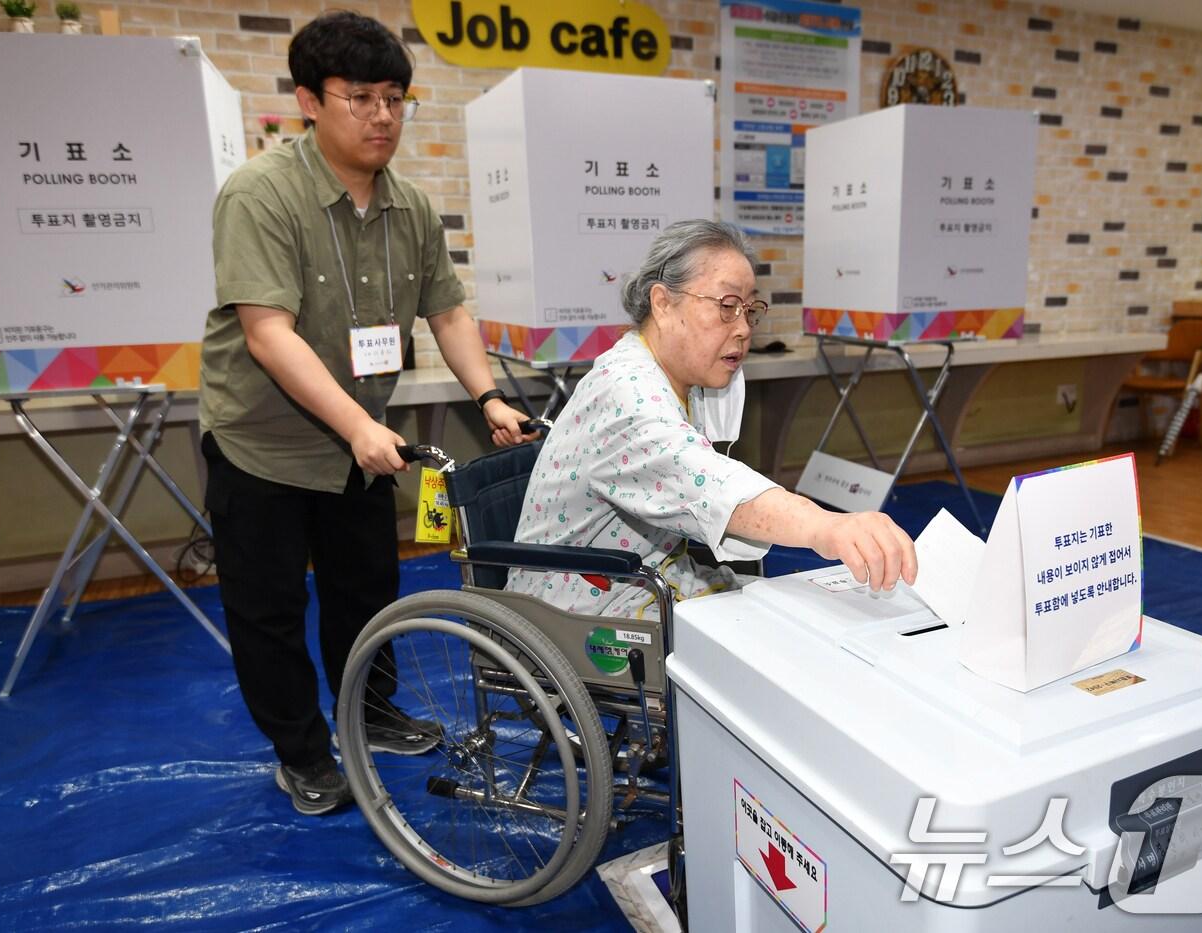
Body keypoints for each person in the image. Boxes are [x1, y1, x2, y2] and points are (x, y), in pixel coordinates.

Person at [199, 11, 530, 816]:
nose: (383, 116)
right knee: (269, 608)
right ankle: (303, 750)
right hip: (261, 444)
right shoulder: (260, 194)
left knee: (368, 593)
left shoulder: (411, 207)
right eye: (361, 98)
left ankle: (373, 712)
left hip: (360, 445)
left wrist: (486, 394)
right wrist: (353, 424)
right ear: (310, 101)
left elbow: (448, 312)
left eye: (395, 98)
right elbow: (268, 334)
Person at [506, 220, 917, 618]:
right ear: (663, 304)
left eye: (749, 309)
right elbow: (708, 481)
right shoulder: (626, 392)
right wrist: (824, 526)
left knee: (793, 615)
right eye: (726, 307)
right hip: (583, 607)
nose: (742, 329)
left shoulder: (682, 378)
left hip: (652, 579)